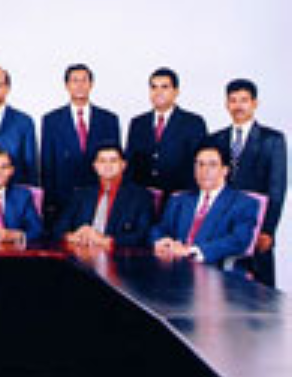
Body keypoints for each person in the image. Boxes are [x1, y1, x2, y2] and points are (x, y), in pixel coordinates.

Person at [213, 79, 287, 287]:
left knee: (259, 291)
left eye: (244, 100)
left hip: (257, 226)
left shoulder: (272, 140)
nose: (238, 106)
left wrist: (268, 230)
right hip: (221, 227)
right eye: (233, 100)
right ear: (226, 104)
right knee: (219, 286)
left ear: (255, 103)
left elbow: (277, 188)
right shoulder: (215, 139)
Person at [151, 142, 259, 267]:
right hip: (173, 267)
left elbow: (239, 240)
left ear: (225, 170)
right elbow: (159, 229)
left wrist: (192, 251)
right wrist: (162, 242)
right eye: (200, 164)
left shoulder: (244, 203)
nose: (205, 171)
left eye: (212, 165)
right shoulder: (179, 200)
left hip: (215, 270)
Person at [41, 63, 120, 225]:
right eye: (75, 80)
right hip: (63, 198)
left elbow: (115, 164)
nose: (79, 85)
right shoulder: (51, 120)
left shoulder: (108, 119)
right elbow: (47, 165)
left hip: (99, 196)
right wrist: (49, 204)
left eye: (84, 80)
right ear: (67, 85)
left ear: (91, 84)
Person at [54, 143, 154, 249]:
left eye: (113, 161)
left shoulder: (141, 196)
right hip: (80, 252)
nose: (107, 165)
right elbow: (59, 229)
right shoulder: (81, 194)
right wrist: (72, 236)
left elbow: (143, 234)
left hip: (118, 255)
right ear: (95, 166)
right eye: (102, 161)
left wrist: (106, 241)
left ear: (123, 165)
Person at [125, 67, 208, 196]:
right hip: (142, 197)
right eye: (154, 87)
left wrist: (189, 195)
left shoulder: (193, 123)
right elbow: (130, 164)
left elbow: (200, 162)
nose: (158, 92)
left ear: (176, 92)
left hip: (180, 197)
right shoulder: (138, 123)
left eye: (164, 87)